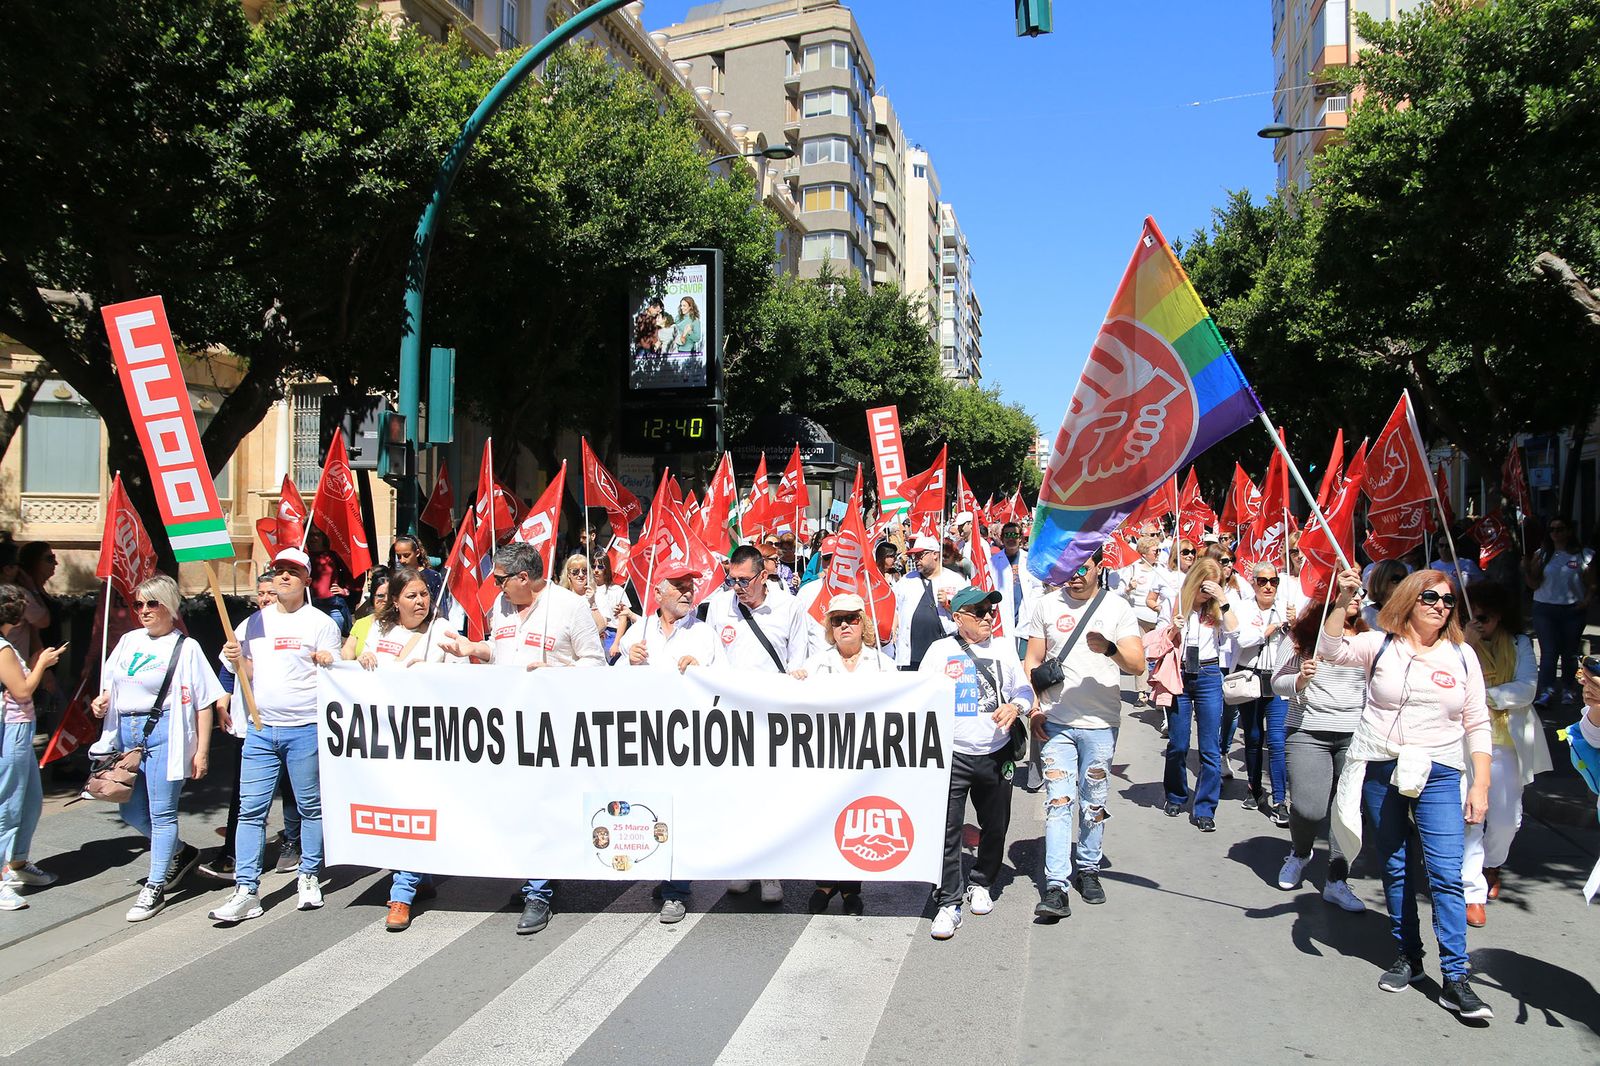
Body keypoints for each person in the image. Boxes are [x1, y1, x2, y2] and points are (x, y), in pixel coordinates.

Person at [1320, 568, 1493, 1020]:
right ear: (1410, 600)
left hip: (1439, 770)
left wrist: (1480, 783)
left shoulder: (1462, 655)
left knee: (1446, 874)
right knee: (1395, 866)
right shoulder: (1379, 643)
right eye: (1431, 597)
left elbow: (1477, 722)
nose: (1441, 606)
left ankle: (1456, 977)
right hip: (1383, 763)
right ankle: (1409, 958)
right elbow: (1331, 648)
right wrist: (1342, 598)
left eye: (1449, 600)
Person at [439, 542, 604, 935]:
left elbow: (595, 664)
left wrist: (555, 673)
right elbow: (501, 650)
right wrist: (473, 648)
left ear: (523, 578)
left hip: (554, 727)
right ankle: (537, 875)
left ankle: (539, 892)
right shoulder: (502, 607)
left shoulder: (569, 606)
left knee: (542, 806)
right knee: (519, 806)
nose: (495, 587)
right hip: (510, 726)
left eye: (500, 580)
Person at [208, 546, 342, 923]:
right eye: (279, 570)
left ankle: (309, 875)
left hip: (305, 729)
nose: (284, 577)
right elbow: (247, 675)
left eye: (293, 572)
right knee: (250, 812)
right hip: (260, 730)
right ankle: (246, 890)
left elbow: (334, 675)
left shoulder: (321, 623)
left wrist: (331, 661)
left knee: (309, 807)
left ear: (306, 580)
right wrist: (238, 661)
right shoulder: (253, 624)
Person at [92, 575, 224, 922]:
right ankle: (179, 853)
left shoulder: (186, 647)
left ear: (170, 606)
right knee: (130, 810)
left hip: (165, 730)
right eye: (138, 604)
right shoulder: (128, 640)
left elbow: (203, 702)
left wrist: (202, 751)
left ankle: (154, 886)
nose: (144, 611)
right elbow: (111, 684)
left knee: (162, 813)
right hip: (126, 733)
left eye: (152, 604)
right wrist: (101, 703)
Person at [1022, 548, 1142, 918]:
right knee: (1059, 802)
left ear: (1099, 568)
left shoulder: (1117, 608)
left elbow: (1137, 664)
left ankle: (1088, 868)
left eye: (1083, 569)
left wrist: (1108, 649)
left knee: (1093, 802)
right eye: (1069, 570)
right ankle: (1056, 885)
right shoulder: (1045, 605)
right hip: (1057, 722)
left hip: (1101, 725)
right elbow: (1033, 661)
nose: (1075, 575)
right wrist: (1036, 707)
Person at [919, 587, 1032, 940]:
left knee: (995, 826)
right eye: (979, 611)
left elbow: (1024, 690)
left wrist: (1016, 707)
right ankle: (948, 902)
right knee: (948, 831)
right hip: (953, 755)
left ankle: (981, 881)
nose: (987, 617)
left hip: (996, 754)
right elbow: (920, 695)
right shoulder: (940, 651)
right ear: (958, 618)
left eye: (990, 611)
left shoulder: (1003, 647)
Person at [615, 561, 723, 924]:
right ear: (657, 592)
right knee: (655, 810)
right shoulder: (639, 633)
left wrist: (702, 669)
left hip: (687, 741)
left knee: (682, 811)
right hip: (645, 742)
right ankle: (668, 877)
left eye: (690, 584)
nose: (688, 590)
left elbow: (723, 681)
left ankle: (678, 890)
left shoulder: (704, 633)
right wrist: (627, 660)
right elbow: (608, 687)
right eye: (677, 584)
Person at [347, 567, 453, 932]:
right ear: (395, 600)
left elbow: (464, 678)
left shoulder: (441, 629)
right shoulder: (380, 628)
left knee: (414, 812)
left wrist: (435, 672)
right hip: (385, 741)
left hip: (426, 741)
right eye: (411, 595)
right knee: (396, 814)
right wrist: (359, 662)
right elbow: (365, 671)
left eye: (424, 594)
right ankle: (419, 878)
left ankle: (401, 894)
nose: (420, 601)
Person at [703, 545, 807, 904]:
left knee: (771, 795)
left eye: (744, 581)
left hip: (773, 718)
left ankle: (771, 870)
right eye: (732, 580)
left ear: (764, 575)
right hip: (730, 718)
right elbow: (709, 654)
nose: (738, 588)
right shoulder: (720, 606)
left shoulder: (789, 606)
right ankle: (743, 864)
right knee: (736, 795)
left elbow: (799, 659)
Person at [790, 593, 895, 917]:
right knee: (824, 820)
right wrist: (795, 682)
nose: (845, 625)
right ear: (829, 627)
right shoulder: (816, 664)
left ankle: (851, 887)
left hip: (866, 760)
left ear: (862, 622)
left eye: (851, 618)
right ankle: (824, 883)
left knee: (857, 820)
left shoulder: (882, 664)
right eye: (837, 620)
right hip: (826, 760)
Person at [1460, 580, 1551, 927]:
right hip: (1463, 740)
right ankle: (1472, 890)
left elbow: (1526, 689)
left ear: (1500, 616)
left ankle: (1491, 863)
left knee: (1506, 820)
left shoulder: (1520, 643)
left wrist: (1481, 696)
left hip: (1507, 744)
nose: (1481, 622)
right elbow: (1450, 681)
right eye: (1473, 615)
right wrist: (1466, 644)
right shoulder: (1456, 644)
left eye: (1486, 616)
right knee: (1470, 816)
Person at [1270, 596, 1368, 912]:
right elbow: (1277, 683)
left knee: (1346, 811)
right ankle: (1300, 852)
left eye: (1360, 593)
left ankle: (1337, 881)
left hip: (1356, 735)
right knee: (1309, 809)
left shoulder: (1368, 637)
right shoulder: (1301, 636)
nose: (1357, 598)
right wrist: (1300, 679)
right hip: (1308, 731)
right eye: (1348, 592)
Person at [200, 572, 298, 882]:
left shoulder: (299, 624)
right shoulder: (247, 625)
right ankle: (232, 854)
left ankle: (293, 843)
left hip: (288, 722)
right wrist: (221, 704)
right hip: (250, 726)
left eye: (270, 592)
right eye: (261, 593)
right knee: (244, 793)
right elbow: (228, 670)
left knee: (291, 788)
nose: (265, 598)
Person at [1159, 558, 1240, 831]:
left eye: (1213, 588)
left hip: (1208, 674)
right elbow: (1160, 642)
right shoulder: (1177, 601)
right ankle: (1175, 794)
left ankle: (1205, 807)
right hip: (1180, 672)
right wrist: (1175, 628)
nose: (1207, 595)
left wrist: (1222, 598)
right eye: (1204, 589)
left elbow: (1236, 631)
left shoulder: (1217, 607)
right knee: (1179, 743)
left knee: (1209, 748)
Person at [0, 585, 66, 911]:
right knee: (9, 806)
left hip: (18, 731)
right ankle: (2, 878)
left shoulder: (6, 648)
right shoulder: (3, 649)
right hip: (11, 731)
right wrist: (43, 663)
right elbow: (23, 691)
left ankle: (18, 862)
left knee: (30, 801)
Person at [1227, 562, 1296, 824]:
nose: (1268, 586)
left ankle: (1280, 800)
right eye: (1263, 581)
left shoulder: (1286, 609)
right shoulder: (1242, 608)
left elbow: (1299, 645)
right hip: (1250, 677)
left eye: (1273, 581)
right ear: (1253, 583)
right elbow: (1241, 640)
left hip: (1278, 680)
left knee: (1277, 742)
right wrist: (1267, 630)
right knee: (1254, 736)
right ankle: (1254, 788)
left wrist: (1294, 624)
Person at [1523, 516, 1595, 707]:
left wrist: (1585, 602)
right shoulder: (1542, 554)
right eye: (1552, 529)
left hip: (1573, 610)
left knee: (1569, 653)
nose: (1555, 533)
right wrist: (1526, 569)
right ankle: (1546, 691)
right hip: (1544, 608)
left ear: (1569, 531)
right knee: (1549, 652)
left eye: (1560, 529)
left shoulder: (1584, 555)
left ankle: (1568, 689)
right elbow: (1532, 583)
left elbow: (1592, 584)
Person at [892, 535, 969, 670]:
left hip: (943, 656)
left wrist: (949, 604)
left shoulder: (955, 581)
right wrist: (893, 629)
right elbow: (895, 608)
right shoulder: (906, 580)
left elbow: (968, 613)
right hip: (911, 656)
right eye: (914, 556)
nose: (916, 560)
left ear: (935, 554)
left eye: (921, 555)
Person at [1118, 534, 1165, 703]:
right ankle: (1142, 692)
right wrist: (1129, 588)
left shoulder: (1162, 569)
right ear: (1144, 553)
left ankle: (1161, 692)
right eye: (1155, 551)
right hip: (1138, 616)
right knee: (1142, 654)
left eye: (1159, 550)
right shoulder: (1132, 569)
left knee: (1161, 655)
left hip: (1159, 617)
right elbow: (1118, 592)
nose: (1158, 553)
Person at [992, 521, 1041, 657]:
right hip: (1002, 617)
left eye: (1015, 534)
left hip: (1025, 619)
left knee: (1023, 660)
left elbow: (1038, 587)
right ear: (1002, 538)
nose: (1011, 538)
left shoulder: (1030, 560)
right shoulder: (993, 562)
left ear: (1020, 538)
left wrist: (1033, 607)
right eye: (1007, 535)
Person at [305, 529, 355, 636]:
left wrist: (345, 590)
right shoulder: (304, 557)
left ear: (324, 537)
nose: (312, 538)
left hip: (333, 607)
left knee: (334, 640)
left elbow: (351, 573)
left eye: (316, 534)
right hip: (310, 607)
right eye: (309, 534)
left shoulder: (333, 556)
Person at [589, 553, 633, 661]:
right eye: (593, 566)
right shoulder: (588, 590)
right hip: (592, 634)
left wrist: (616, 643)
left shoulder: (617, 590)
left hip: (611, 635)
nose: (596, 570)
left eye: (600, 566)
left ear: (606, 569)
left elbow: (623, 620)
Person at [342, 565, 391, 662]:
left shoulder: (403, 625)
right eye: (380, 596)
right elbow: (346, 654)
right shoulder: (361, 623)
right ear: (373, 597)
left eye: (390, 595)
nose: (386, 600)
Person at [559, 553, 609, 638]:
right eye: (575, 572)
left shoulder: (597, 595)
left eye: (584, 571)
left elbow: (602, 626)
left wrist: (592, 602)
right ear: (568, 575)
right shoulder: (562, 596)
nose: (581, 575)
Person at [1362, 560, 1410, 632]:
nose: (1402, 583)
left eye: (1405, 579)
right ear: (1381, 581)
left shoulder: (1411, 611)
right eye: (1396, 579)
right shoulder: (1368, 613)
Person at [391, 536, 442, 601]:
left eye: (406, 555)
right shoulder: (397, 578)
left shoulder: (432, 576)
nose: (402, 560)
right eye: (399, 556)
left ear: (417, 553)